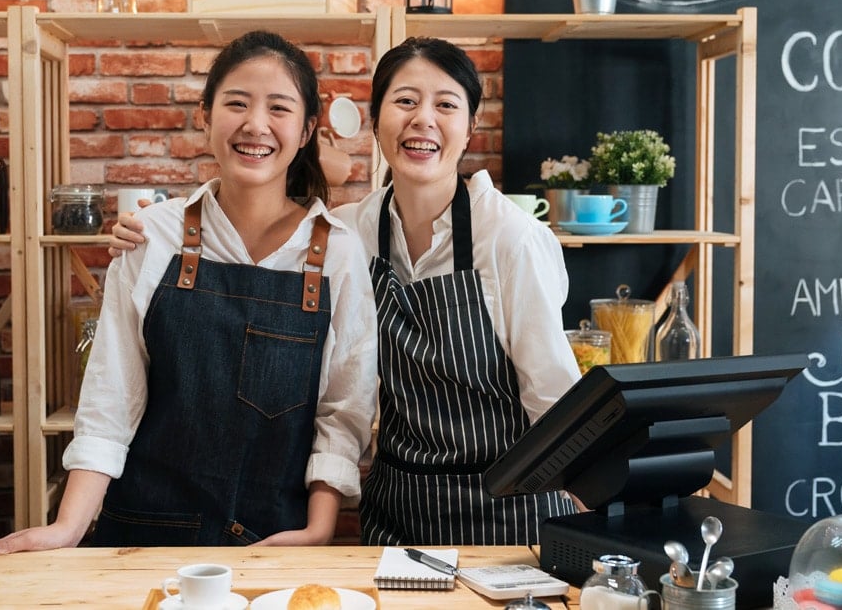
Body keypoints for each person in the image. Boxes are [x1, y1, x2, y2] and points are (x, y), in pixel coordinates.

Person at [109, 36, 580, 546]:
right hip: (400, 512)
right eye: (405, 101)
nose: (423, 119)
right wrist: (151, 231)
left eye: (446, 105)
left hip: (508, 515)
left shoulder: (512, 239)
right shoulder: (353, 231)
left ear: (469, 129)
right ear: (376, 123)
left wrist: (598, 512)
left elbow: (552, 395)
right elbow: (256, 212)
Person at [0, 30, 377, 554]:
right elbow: (112, 395)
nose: (255, 125)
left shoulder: (339, 252)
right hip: (143, 538)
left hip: (273, 543)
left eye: (278, 108)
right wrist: (68, 528)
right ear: (204, 114)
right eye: (236, 103)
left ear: (307, 130)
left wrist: (319, 529)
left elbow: (343, 410)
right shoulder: (154, 235)